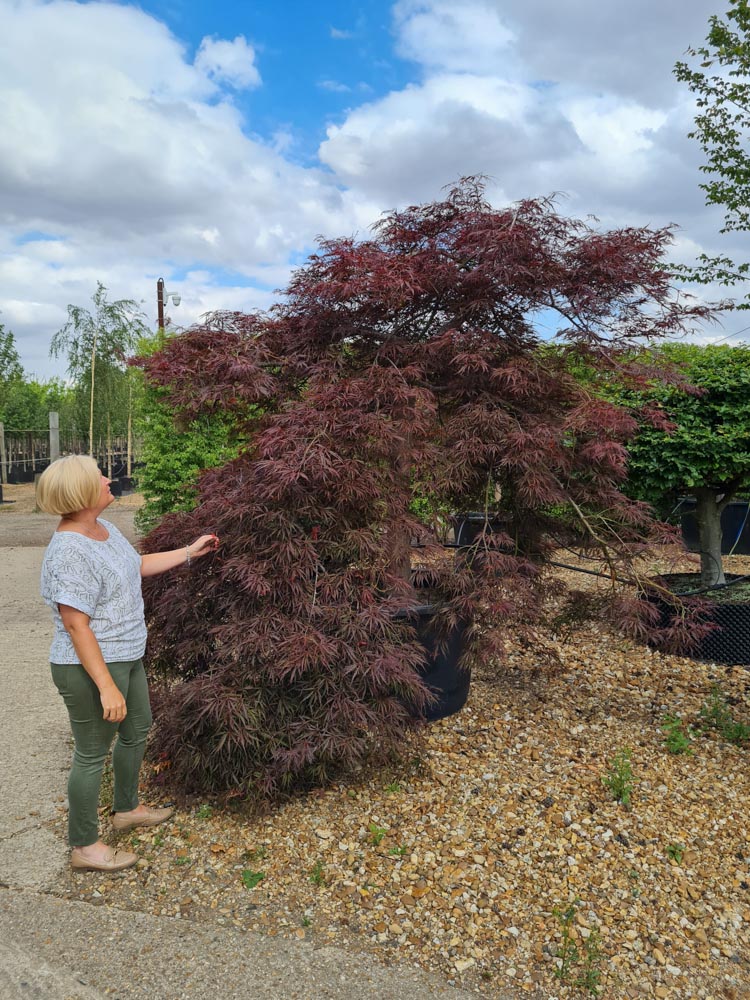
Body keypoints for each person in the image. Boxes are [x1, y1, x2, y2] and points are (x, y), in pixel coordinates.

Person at [37, 454, 218, 872]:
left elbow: (134, 566)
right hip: (89, 667)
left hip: (127, 654)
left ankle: (127, 809)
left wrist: (189, 552)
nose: (107, 478)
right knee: (91, 753)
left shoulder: (104, 530)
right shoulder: (69, 551)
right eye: (99, 475)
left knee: (137, 730)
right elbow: (75, 624)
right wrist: (106, 686)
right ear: (80, 492)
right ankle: (84, 847)